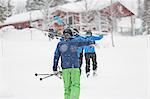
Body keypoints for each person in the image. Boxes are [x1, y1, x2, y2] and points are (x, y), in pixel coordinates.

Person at [52, 28, 95, 99]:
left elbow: (56, 56)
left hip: (65, 68)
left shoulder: (60, 44)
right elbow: (85, 41)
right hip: (74, 67)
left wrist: (55, 68)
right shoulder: (75, 41)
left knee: (67, 87)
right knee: (75, 85)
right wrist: (91, 42)